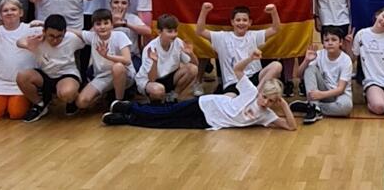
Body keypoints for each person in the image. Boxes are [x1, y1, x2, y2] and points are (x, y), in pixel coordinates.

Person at [101, 49, 297, 131]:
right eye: (265, 97)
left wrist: (284, 106)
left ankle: (126, 120)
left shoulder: (266, 116)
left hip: (208, 123)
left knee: (167, 124)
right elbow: (238, 69)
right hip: (206, 104)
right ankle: (128, 107)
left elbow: (291, 127)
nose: (264, 102)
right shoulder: (251, 92)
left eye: (270, 101)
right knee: (166, 111)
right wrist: (251, 59)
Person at [196, 2, 282, 94]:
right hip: (233, 83)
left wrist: (273, 12)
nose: (241, 23)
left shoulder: (254, 35)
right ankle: (248, 98)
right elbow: (200, 31)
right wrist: (204, 11)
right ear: (232, 22)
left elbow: (275, 29)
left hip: (254, 79)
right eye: (238, 20)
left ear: (250, 22)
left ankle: (256, 93)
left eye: (245, 20)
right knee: (229, 99)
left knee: (276, 65)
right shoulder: (221, 37)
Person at [16, 14, 86, 122]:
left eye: (59, 37)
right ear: (44, 31)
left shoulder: (71, 38)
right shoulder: (37, 37)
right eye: (51, 36)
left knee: (67, 92)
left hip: (66, 74)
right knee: (22, 76)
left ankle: (72, 99)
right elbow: (18, 42)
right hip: (45, 75)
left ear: (64, 32)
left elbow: (89, 37)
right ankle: (40, 104)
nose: (55, 40)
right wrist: (29, 45)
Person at [70, 9, 135, 110]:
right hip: (103, 76)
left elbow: (127, 60)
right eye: (98, 24)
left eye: (106, 23)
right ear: (94, 27)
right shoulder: (92, 37)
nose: (102, 27)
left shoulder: (120, 36)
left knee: (117, 67)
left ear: (112, 25)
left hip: (124, 74)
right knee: (81, 102)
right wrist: (44, 24)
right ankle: (103, 95)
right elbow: (73, 31)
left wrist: (107, 56)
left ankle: (119, 103)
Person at [289, 26, 354, 124]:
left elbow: (340, 89)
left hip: (339, 94)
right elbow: (298, 75)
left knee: (346, 107)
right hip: (323, 91)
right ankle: (314, 108)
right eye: (326, 40)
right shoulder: (319, 54)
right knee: (310, 69)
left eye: (334, 40)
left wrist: (320, 95)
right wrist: (306, 61)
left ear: (340, 42)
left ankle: (312, 106)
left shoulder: (346, 60)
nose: (330, 42)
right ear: (323, 43)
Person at [350, 7, 384, 115]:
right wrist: (348, 45)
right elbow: (352, 58)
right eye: (383, 16)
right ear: (377, 15)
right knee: (379, 107)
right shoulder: (361, 34)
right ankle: (371, 97)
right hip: (373, 80)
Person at [135, 14, 198, 103]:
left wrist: (191, 54)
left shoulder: (178, 42)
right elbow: (152, 79)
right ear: (159, 32)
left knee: (192, 69)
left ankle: (173, 96)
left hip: (169, 76)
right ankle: (153, 102)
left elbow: (195, 65)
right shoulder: (150, 48)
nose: (174, 34)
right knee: (158, 90)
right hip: (150, 80)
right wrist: (155, 62)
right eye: (169, 31)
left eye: (175, 31)